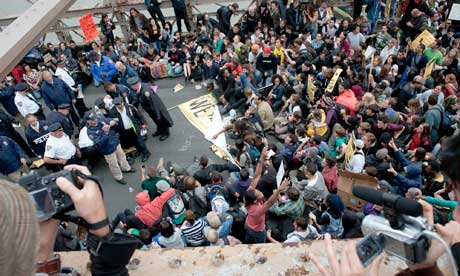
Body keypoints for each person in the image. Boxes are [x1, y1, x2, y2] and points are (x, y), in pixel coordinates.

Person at [84, 111, 135, 184]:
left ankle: (126, 168)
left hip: (115, 142)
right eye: (92, 120)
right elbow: (99, 143)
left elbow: (110, 120)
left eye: (95, 118)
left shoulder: (99, 119)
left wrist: (113, 122)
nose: (95, 120)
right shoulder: (90, 131)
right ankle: (118, 177)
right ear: (88, 121)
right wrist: (106, 133)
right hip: (107, 149)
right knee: (113, 164)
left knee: (122, 156)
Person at [128, 76, 173, 141]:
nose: (131, 87)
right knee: (156, 121)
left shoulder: (146, 91)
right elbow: (138, 98)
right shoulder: (139, 87)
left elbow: (153, 102)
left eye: (131, 86)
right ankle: (160, 130)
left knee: (161, 120)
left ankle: (166, 133)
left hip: (155, 109)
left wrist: (157, 114)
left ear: (136, 84)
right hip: (150, 109)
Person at [109, 97, 151, 162]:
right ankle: (139, 150)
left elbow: (139, 115)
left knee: (140, 141)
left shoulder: (130, 107)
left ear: (123, 102)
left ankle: (146, 153)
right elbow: (112, 122)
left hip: (134, 127)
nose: (119, 106)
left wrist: (143, 123)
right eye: (117, 105)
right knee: (133, 142)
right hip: (124, 131)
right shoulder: (112, 112)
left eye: (120, 104)